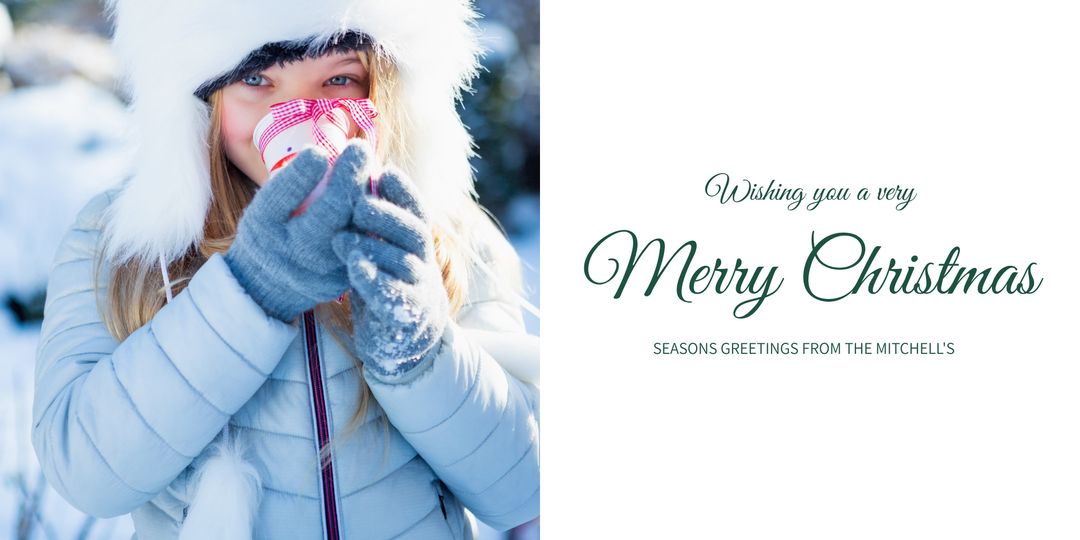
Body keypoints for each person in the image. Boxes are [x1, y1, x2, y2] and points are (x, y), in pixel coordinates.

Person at [31, 0, 540, 538]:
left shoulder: (445, 237)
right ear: (200, 98)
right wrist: (249, 295)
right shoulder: (122, 242)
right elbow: (83, 473)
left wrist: (419, 351)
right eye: (256, 77)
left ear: (383, 89)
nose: (301, 114)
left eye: (338, 78)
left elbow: (523, 487)